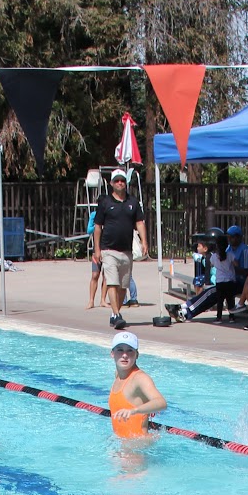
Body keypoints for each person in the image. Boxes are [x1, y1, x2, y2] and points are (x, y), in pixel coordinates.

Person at [92, 169, 149, 331]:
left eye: (122, 181)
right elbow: (97, 227)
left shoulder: (133, 202)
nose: (120, 183)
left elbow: (140, 222)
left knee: (123, 286)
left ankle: (115, 313)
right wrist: (97, 249)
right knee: (112, 282)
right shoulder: (105, 203)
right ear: (111, 183)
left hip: (126, 251)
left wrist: (144, 241)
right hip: (108, 249)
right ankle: (117, 315)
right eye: (116, 181)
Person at [109, 334, 166, 438]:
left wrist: (134, 410)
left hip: (137, 445)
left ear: (137, 354)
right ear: (112, 353)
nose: (125, 355)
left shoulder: (140, 378)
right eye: (120, 350)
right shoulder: (118, 374)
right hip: (122, 441)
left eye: (130, 350)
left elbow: (161, 403)